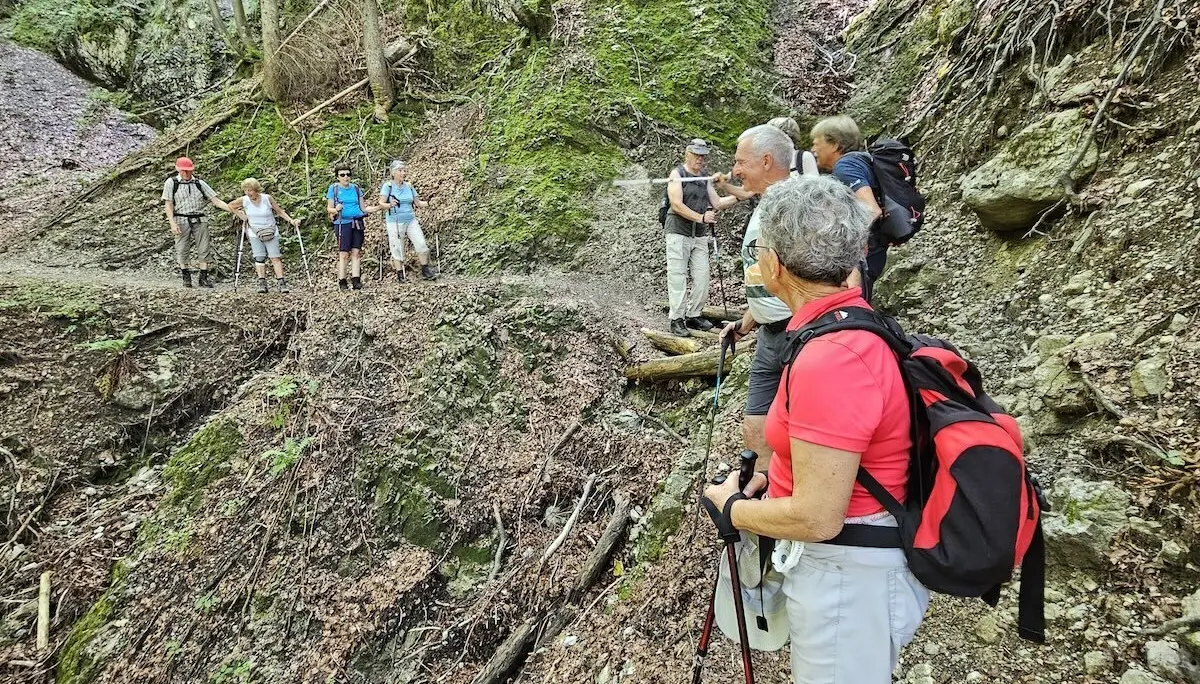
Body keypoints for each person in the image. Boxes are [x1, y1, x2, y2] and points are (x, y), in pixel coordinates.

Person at [703, 175, 928, 684]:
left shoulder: (832, 358)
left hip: (847, 577)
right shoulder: (844, 326)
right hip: (854, 569)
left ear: (774, 266)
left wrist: (734, 509)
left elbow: (820, 516)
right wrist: (773, 476)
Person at [712, 125, 796, 462]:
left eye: (740, 162)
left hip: (797, 331)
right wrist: (747, 321)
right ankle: (761, 489)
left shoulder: (795, 205)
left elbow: (821, 276)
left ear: (765, 161)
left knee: (794, 426)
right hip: (768, 332)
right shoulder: (764, 204)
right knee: (755, 425)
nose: (734, 170)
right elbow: (766, 275)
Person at [664, 138, 739, 337]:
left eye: (702, 155)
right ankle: (677, 319)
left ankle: (694, 314)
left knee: (702, 276)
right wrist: (701, 217)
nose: (700, 158)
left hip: (698, 234)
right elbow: (676, 205)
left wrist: (742, 195)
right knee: (678, 276)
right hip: (678, 232)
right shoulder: (677, 174)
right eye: (696, 154)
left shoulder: (704, 176)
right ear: (687, 154)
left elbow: (717, 202)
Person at [810, 115, 887, 297]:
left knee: (856, 305)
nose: (813, 150)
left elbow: (872, 209)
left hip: (862, 256)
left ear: (835, 144)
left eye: (816, 143)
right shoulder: (860, 161)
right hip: (874, 250)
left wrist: (843, 244)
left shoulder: (845, 167)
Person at [162, 157, 237, 288]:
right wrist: (172, 223)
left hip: (200, 219)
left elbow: (216, 200)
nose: (186, 174)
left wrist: (233, 210)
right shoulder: (171, 183)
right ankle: (186, 276)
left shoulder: (199, 183)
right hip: (180, 218)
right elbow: (168, 204)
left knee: (204, 247)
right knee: (182, 248)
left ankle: (203, 276)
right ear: (178, 170)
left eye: (188, 171)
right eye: (183, 171)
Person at [227, 178, 300, 294]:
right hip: (255, 232)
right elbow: (230, 205)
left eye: (250, 190)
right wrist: (240, 215)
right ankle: (262, 283)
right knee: (259, 257)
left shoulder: (267, 198)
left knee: (275, 257)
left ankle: (282, 283)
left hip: (271, 231)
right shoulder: (244, 200)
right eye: (246, 190)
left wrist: (291, 221)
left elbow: (279, 211)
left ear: (256, 190)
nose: (248, 193)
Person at [378, 160, 436, 282]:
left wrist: (430, 203)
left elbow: (418, 203)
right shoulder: (388, 186)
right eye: (400, 170)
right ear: (393, 173)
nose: (403, 173)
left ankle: (425, 270)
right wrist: (390, 204)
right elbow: (381, 203)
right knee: (397, 247)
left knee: (421, 244)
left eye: (404, 170)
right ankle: (400, 274)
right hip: (395, 220)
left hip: (410, 220)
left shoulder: (409, 186)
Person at [326, 166, 381, 291]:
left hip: (357, 222)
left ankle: (356, 280)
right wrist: (336, 209)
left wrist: (379, 207)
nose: (346, 177)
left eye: (348, 174)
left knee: (356, 252)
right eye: (342, 175)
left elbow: (363, 208)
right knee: (344, 253)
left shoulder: (356, 188)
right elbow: (329, 208)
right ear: (337, 177)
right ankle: (342, 281)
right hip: (342, 223)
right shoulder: (333, 189)